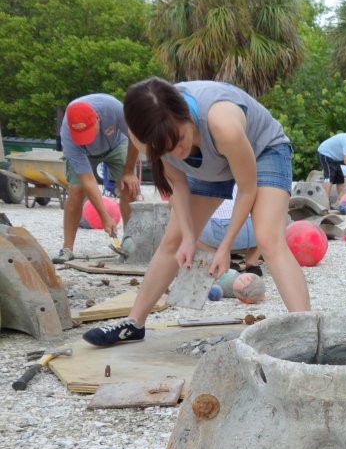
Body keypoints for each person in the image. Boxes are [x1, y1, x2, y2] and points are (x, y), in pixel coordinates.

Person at [82, 78, 310, 347]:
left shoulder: (222, 123)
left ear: (187, 116)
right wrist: (190, 238)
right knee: (174, 239)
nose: (177, 152)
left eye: (178, 140)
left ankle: (307, 329)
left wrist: (225, 247)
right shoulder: (145, 135)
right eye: (166, 150)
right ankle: (134, 323)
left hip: (262, 149)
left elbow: (247, 190)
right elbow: (178, 183)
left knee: (268, 238)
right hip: (207, 164)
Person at [50, 94, 141, 263]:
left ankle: (130, 243)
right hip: (83, 153)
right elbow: (88, 181)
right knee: (76, 191)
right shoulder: (68, 135)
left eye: (89, 133)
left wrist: (129, 172)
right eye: (82, 135)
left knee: (129, 187)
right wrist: (105, 217)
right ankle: (67, 248)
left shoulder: (113, 108)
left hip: (116, 145)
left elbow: (135, 137)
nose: (88, 139)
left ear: (98, 118)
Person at [196, 184, 262, 276]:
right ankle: (252, 261)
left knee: (184, 225)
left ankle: (221, 258)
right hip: (256, 231)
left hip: (220, 231)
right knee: (275, 220)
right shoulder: (248, 173)